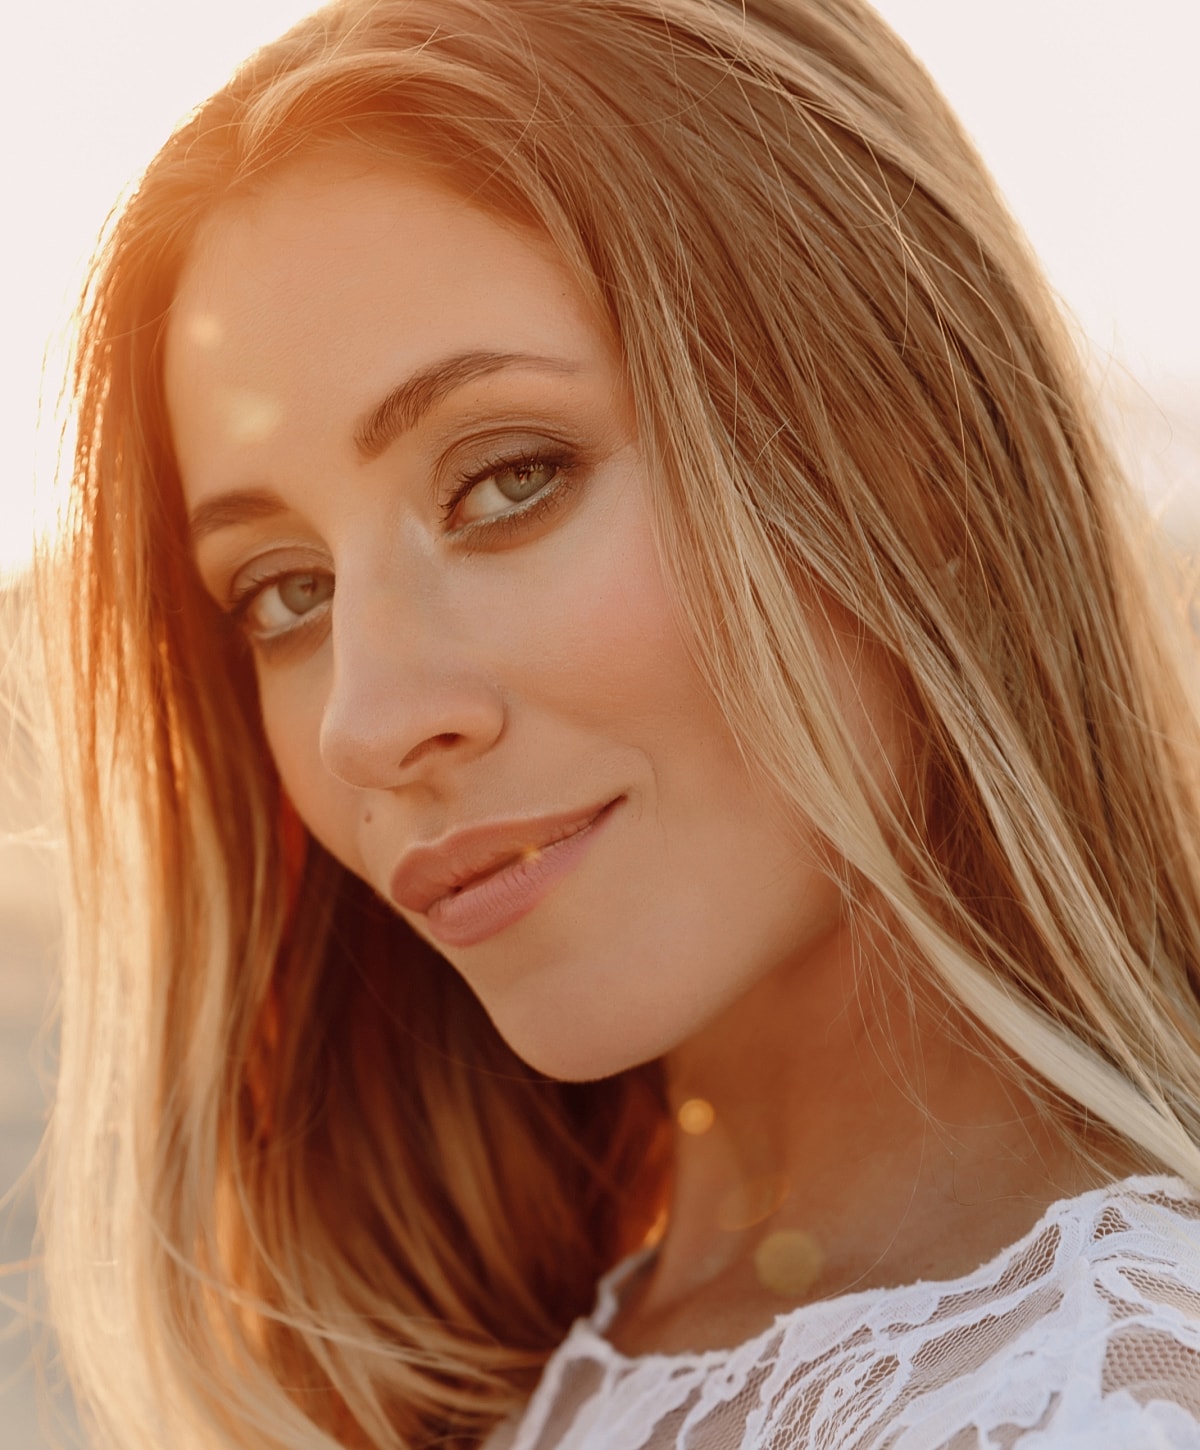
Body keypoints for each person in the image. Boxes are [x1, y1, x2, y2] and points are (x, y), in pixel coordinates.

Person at [36, 0, 1200, 1445]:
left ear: (916, 456)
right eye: (284, 591)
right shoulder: (461, 1390)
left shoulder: (1107, 1392)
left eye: (512, 478)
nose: (366, 718)